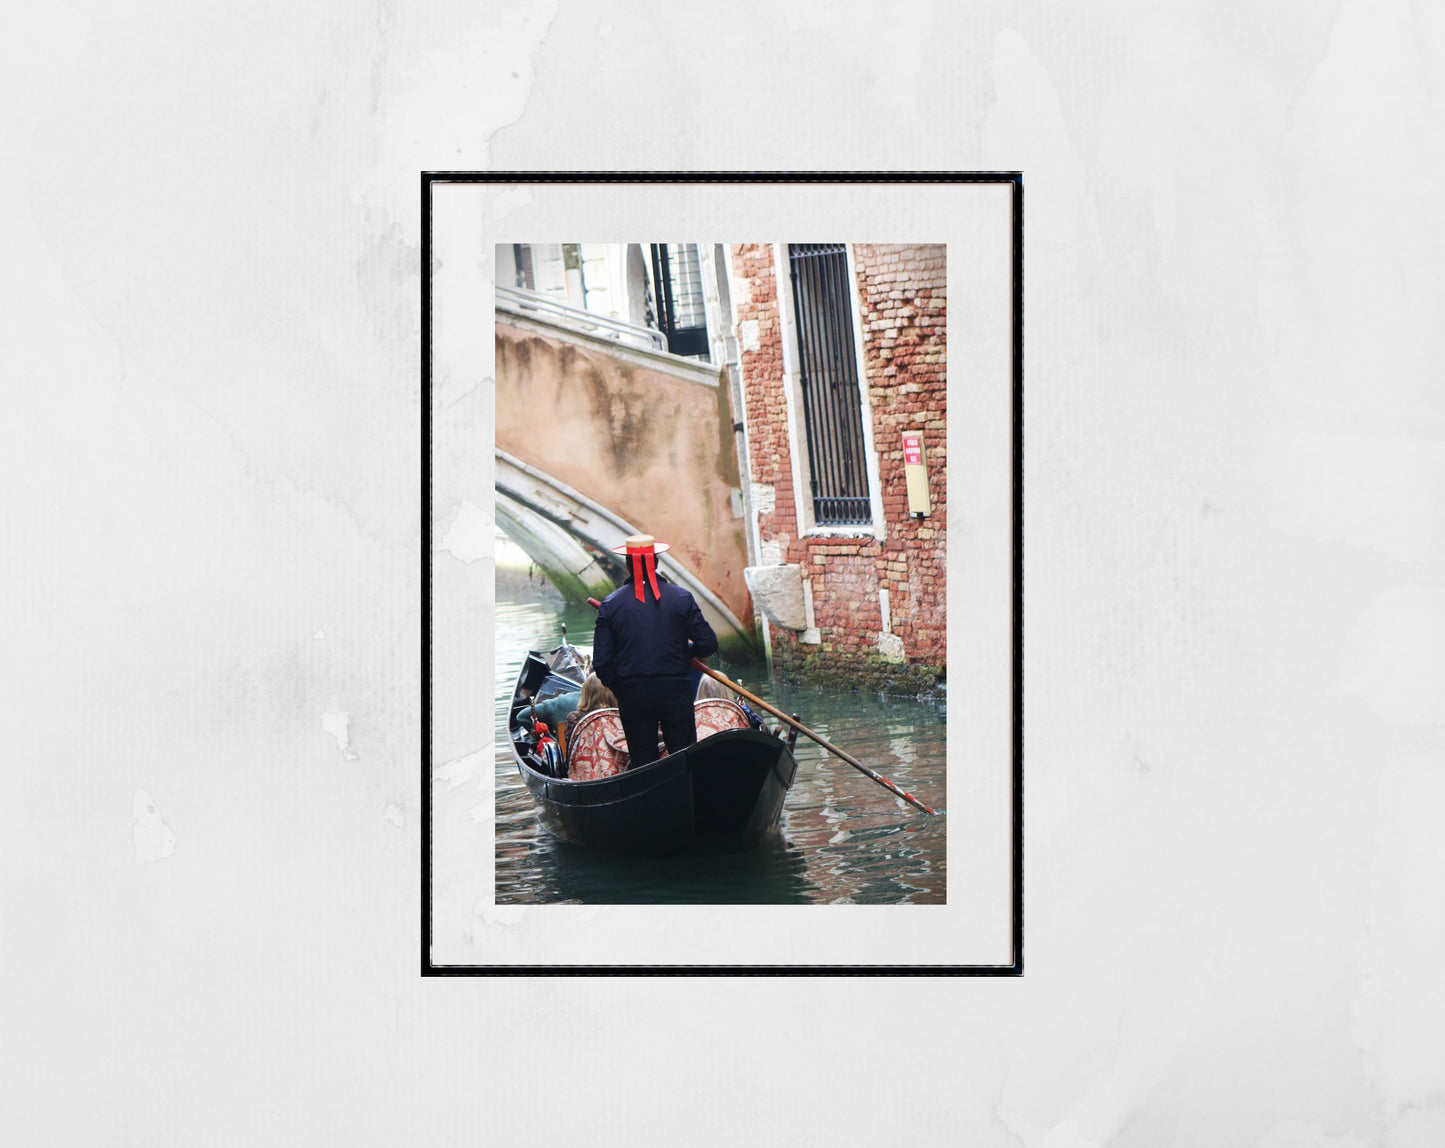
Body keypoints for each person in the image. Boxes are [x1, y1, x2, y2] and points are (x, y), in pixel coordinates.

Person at [592, 534, 717, 768]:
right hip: (675, 690)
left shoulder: (611, 604)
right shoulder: (681, 598)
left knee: (644, 764)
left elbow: (602, 663)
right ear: (657, 562)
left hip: (633, 695)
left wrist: (623, 689)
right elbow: (707, 643)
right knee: (685, 757)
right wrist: (685, 650)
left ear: (628, 565)